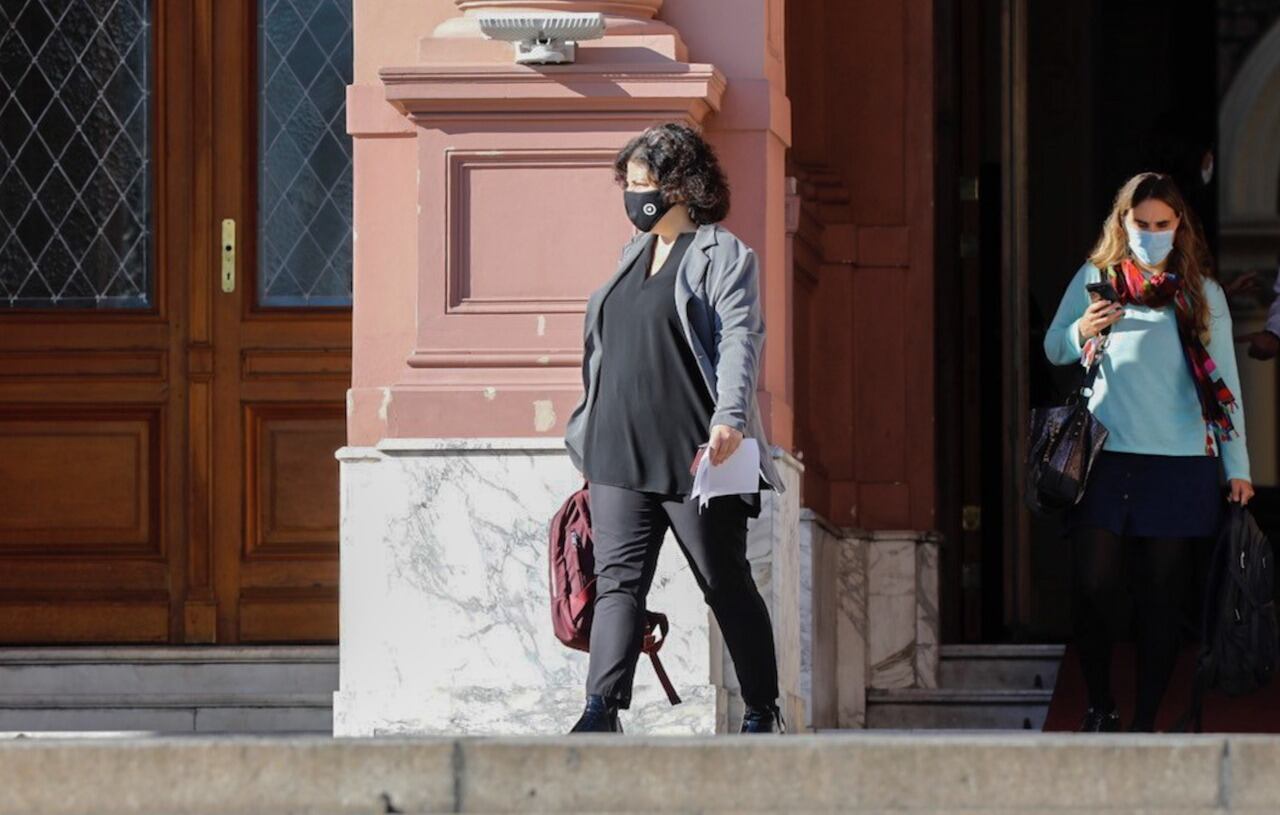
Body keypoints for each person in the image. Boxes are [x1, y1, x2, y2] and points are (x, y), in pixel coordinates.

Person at [563, 122, 785, 734]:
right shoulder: (629, 255)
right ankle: (599, 710)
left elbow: (741, 338)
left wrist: (730, 419)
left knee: (724, 583)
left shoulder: (724, 255)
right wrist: (586, 427)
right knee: (617, 585)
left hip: (695, 455)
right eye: (628, 185)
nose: (633, 197)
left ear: (681, 185)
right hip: (616, 449)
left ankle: (762, 708)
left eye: (643, 184)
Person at [1044, 172, 1253, 732]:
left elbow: (1226, 383)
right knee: (1094, 586)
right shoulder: (1098, 277)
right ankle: (1099, 704)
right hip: (1106, 459)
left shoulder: (1201, 293)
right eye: (1142, 224)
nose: (1153, 234)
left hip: (1181, 463)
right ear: (1124, 223)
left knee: (1160, 601)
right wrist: (1080, 330)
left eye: (1163, 224)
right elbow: (1053, 345)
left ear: (1179, 225)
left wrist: (1239, 468)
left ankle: (1143, 723)